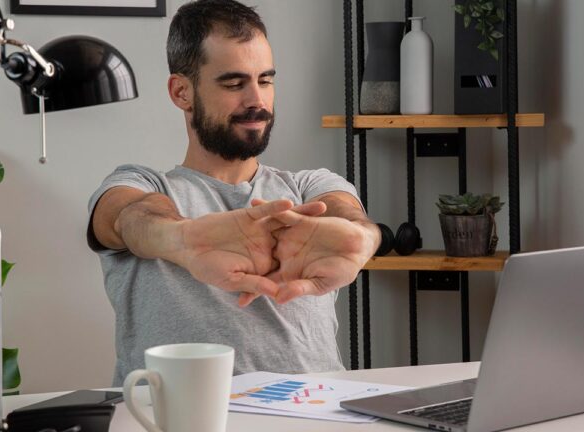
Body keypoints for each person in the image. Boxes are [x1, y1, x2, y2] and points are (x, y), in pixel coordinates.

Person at [87, 0, 381, 385]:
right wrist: (183, 240)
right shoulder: (142, 185)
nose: (257, 100)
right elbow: (129, 217)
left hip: (318, 408)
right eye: (234, 83)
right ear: (181, 92)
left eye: (265, 80)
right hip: (176, 412)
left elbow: (349, 217)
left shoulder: (309, 188)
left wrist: (364, 239)